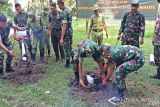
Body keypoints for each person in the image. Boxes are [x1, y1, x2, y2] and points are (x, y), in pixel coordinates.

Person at [0, 14, 21, 78]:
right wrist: (8, 51)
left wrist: (21, 30)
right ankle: (0, 73)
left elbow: (16, 27)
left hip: (5, 39)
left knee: (11, 48)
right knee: (0, 54)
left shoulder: (7, 23)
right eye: (2, 24)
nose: (3, 25)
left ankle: (8, 67)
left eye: (4, 23)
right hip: (0, 41)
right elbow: (0, 43)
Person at [58, 0, 73, 68]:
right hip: (70, 31)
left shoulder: (64, 12)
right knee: (70, 46)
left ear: (61, 4)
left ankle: (67, 64)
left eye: (58, 5)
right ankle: (73, 60)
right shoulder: (68, 10)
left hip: (66, 32)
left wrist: (61, 37)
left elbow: (64, 25)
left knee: (66, 48)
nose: (58, 6)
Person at [150, 0, 160, 79]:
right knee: (157, 56)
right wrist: (154, 36)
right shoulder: (159, 7)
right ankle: (158, 73)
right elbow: (157, 23)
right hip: (157, 37)